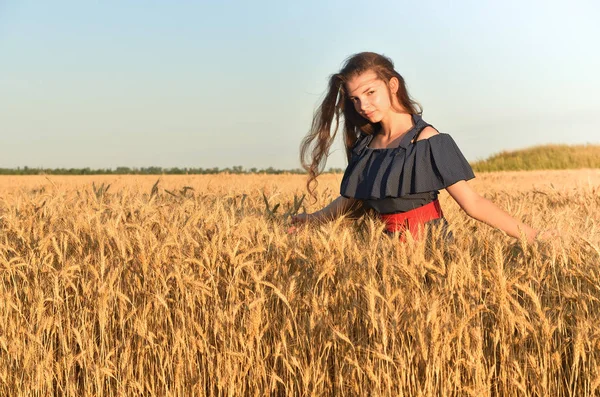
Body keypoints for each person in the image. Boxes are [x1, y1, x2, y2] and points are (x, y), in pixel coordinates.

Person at [291, 51, 550, 243]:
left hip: (430, 248)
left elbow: (473, 203)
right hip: (381, 248)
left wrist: (535, 236)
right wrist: (314, 219)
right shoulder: (367, 145)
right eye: (355, 99)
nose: (363, 105)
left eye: (370, 93)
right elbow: (351, 199)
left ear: (392, 85)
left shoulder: (426, 140)